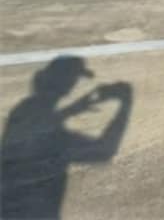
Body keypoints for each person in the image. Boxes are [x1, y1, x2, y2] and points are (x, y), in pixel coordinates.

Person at [1, 56, 132, 219]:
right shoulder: (51, 137)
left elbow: (38, 124)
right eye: (73, 78)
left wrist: (73, 109)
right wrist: (125, 103)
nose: (74, 84)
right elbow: (104, 150)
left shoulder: (23, 110)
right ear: (65, 84)